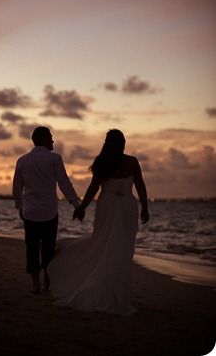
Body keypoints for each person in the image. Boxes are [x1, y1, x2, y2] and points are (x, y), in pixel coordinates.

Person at [48, 129, 149, 316]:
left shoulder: (102, 163)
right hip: (127, 205)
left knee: (104, 243)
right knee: (122, 248)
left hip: (109, 205)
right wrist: (144, 207)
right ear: (121, 143)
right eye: (123, 141)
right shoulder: (132, 162)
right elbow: (140, 185)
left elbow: (93, 189)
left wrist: (82, 207)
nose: (125, 144)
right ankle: (112, 288)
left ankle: (111, 286)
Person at [12, 126, 80, 294]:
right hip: (49, 212)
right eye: (50, 138)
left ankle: (35, 285)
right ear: (43, 139)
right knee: (48, 249)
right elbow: (64, 183)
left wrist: (20, 207)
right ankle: (47, 284)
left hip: (30, 213)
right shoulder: (55, 159)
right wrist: (77, 204)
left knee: (32, 248)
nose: (53, 141)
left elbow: (16, 188)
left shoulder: (22, 160)